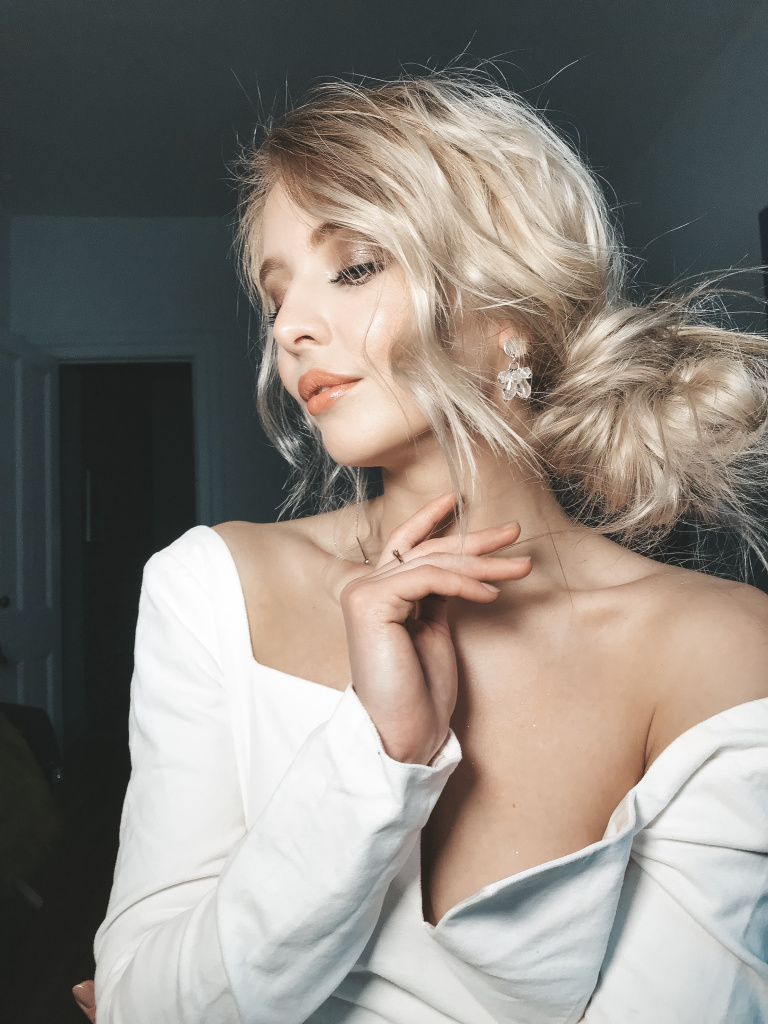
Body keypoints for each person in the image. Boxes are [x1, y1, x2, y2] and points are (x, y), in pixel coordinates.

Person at [84, 75, 768, 1023]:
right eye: (276, 293)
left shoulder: (717, 647)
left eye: (354, 267)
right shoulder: (212, 589)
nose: (289, 329)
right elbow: (147, 1004)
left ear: (509, 305)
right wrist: (377, 753)